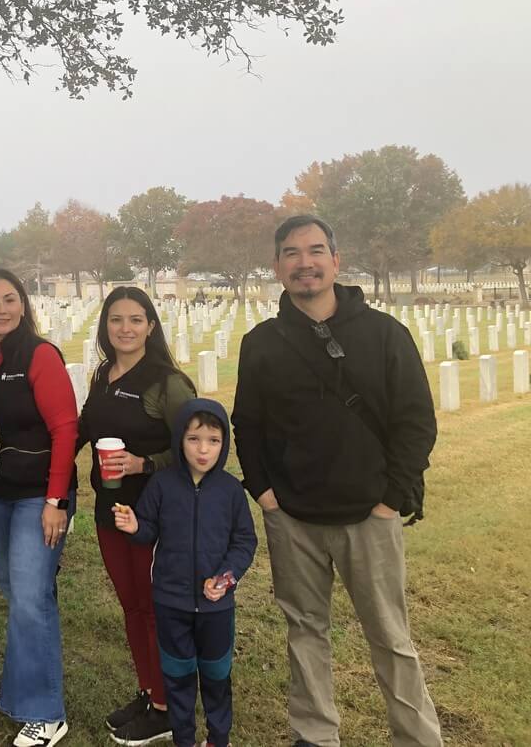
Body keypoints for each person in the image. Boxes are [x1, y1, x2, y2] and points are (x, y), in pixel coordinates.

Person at [232, 215, 442, 747]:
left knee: (391, 638)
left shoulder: (384, 334)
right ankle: (315, 734)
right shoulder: (261, 343)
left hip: (369, 514)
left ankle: (416, 736)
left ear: (336, 261)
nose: (305, 262)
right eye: (292, 253)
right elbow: (248, 423)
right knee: (305, 632)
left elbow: (416, 421)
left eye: (316, 250)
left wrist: (392, 498)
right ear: (277, 267)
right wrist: (265, 493)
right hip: (293, 517)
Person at [0, 268, 78, 747]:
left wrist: (55, 501)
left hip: (38, 497)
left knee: (30, 598)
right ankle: (21, 689)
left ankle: (46, 712)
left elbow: (65, 428)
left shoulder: (39, 354)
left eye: (10, 299)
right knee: (20, 592)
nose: (1, 308)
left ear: (24, 305)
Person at [77, 286, 196, 746]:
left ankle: (168, 707)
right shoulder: (103, 374)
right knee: (132, 606)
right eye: (115, 320)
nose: (125, 328)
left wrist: (145, 464)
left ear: (150, 325)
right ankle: (150, 692)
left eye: (135, 319)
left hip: (154, 515)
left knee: (155, 609)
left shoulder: (167, 382)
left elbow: (199, 448)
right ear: (105, 327)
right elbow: (87, 427)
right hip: (111, 510)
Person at [112, 400, 258, 747]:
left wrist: (225, 579)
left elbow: (244, 541)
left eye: (213, 440)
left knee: (216, 676)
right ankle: (184, 739)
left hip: (216, 609)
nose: (203, 449)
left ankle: (218, 738)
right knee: (177, 677)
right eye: (194, 439)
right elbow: (148, 528)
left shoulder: (231, 491)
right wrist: (135, 525)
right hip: (171, 602)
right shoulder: (162, 485)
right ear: (180, 439)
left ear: (224, 444)